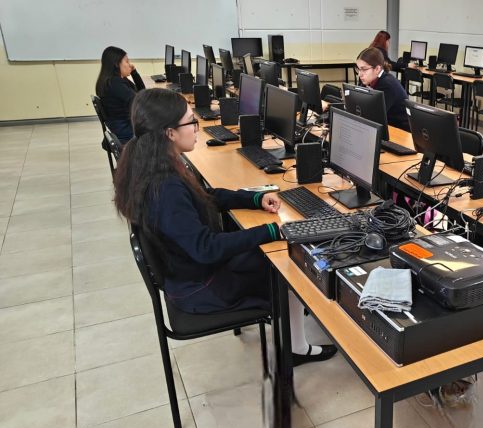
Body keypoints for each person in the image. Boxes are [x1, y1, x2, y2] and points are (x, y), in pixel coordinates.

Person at [113, 88, 336, 366]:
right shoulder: (165, 187)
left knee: (268, 248)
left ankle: (293, 329)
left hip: (189, 271)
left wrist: (253, 198)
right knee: (286, 263)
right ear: (169, 133)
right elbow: (206, 249)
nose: (196, 127)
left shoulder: (153, 164)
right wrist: (270, 232)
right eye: (190, 122)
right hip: (201, 287)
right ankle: (296, 348)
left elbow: (207, 197)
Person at [95, 46, 146, 143]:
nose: (130, 65)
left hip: (120, 127)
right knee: (163, 127)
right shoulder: (115, 84)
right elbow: (137, 101)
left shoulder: (113, 80)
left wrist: (134, 72)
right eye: (127, 61)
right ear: (116, 64)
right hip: (126, 131)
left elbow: (142, 92)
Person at [356, 47, 410, 131]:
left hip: (399, 132)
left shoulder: (387, 85)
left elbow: (374, 116)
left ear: (377, 69)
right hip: (386, 128)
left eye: (364, 69)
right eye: (358, 69)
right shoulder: (368, 80)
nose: (360, 74)